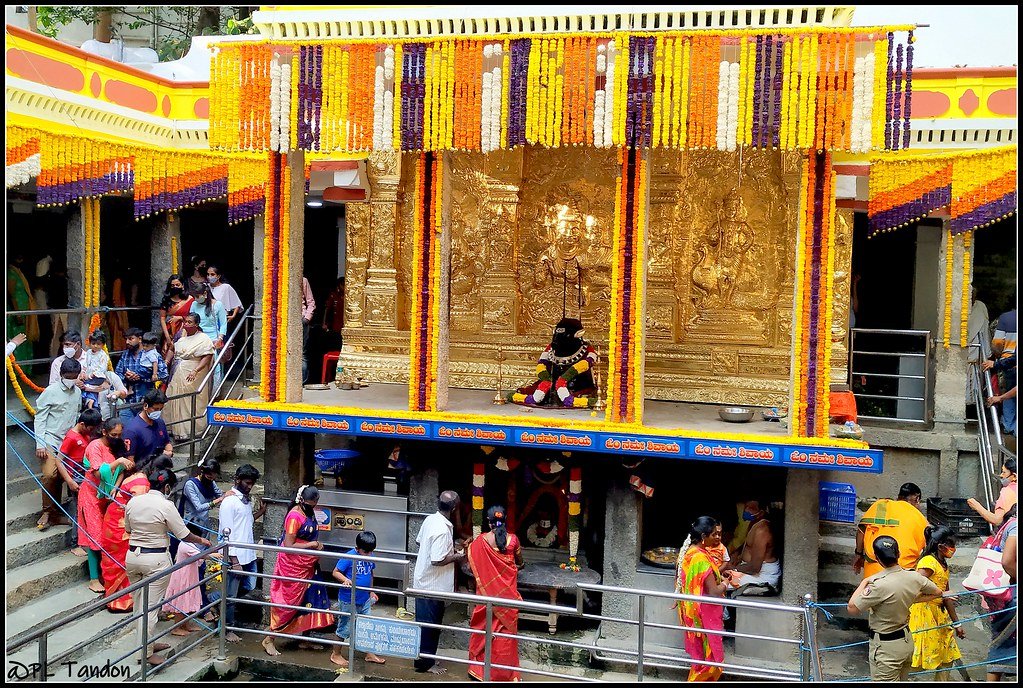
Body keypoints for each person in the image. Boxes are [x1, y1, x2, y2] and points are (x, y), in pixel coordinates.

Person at [124, 465, 211, 667]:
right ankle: (145, 654)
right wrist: (203, 540)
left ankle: (147, 644)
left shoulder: (133, 501)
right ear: (167, 487)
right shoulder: (166, 505)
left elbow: (128, 528)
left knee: (139, 605)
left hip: (133, 557)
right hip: (155, 560)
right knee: (151, 609)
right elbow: (183, 534)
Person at [848, 536, 943, 681]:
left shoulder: (878, 584)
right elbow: (937, 592)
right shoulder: (914, 577)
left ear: (877, 558)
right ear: (898, 554)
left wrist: (864, 582)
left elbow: (852, 608)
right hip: (905, 641)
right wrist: (911, 598)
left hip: (886, 647)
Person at [262, 484, 334, 656]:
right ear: (302, 501)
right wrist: (312, 544)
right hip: (293, 565)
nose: (313, 507)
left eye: (315, 504)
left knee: (310, 600)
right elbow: (289, 545)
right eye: (311, 504)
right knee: (288, 604)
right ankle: (269, 638)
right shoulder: (294, 516)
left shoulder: (308, 512)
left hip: (309, 564)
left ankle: (305, 639)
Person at [102, 449, 167, 613]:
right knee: (121, 561)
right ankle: (121, 601)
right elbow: (140, 508)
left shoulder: (135, 474)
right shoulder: (142, 483)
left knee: (114, 561)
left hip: (114, 520)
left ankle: (117, 598)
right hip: (121, 524)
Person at [467, 506, 523, 682]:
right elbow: (520, 563)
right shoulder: (513, 540)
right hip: (507, 598)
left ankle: (479, 671)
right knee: (505, 637)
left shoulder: (480, 541)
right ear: (505, 520)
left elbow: (472, 565)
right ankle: (504, 674)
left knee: (485, 631)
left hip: (486, 598)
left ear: (488, 522)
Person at [413, 490, 466, 674]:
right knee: (431, 626)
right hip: (432, 585)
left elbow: (420, 542)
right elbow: (437, 559)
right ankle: (425, 664)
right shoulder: (442, 530)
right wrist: (458, 556)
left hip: (423, 580)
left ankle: (424, 660)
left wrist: (449, 548)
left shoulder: (430, 520)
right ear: (454, 508)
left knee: (425, 625)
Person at [79, 419, 133, 593]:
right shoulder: (95, 446)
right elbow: (97, 472)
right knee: (95, 536)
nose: (116, 438)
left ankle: (107, 573)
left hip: (109, 496)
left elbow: (122, 472)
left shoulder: (118, 446)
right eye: (113, 435)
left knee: (108, 534)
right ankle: (94, 578)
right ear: (104, 432)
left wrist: (115, 489)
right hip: (91, 495)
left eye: (119, 435)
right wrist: (118, 462)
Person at [674, 516, 729, 682]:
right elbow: (713, 592)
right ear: (704, 537)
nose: (717, 538)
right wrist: (725, 583)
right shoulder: (700, 558)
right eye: (713, 534)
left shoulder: (688, 552)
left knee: (699, 658)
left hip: (692, 614)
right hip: (704, 615)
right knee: (710, 660)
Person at [33, 357, 84, 531]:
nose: (72, 379)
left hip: (68, 441)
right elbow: (40, 417)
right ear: (62, 375)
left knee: (64, 476)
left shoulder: (77, 392)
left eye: (75, 376)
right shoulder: (50, 391)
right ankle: (47, 512)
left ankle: (56, 514)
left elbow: (77, 415)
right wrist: (40, 443)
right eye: (69, 376)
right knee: (49, 474)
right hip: (50, 439)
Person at [219, 464, 267, 643]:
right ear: (237, 480)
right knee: (230, 596)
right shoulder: (229, 502)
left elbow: (245, 522)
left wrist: (261, 512)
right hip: (236, 556)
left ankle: (216, 601)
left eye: (252, 483)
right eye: (247, 482)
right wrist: (234, 560)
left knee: (249, 586)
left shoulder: (245, 500)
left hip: (249, 554)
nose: (250, 486)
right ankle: (227, 628)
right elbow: (227, 534)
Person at [909, 526, 963, 681]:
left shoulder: (943, 564)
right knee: (917, 660)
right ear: (941, 546)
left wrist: (957, 624)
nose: (954, 549)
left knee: (948, 656)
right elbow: (913, 590)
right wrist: (939, 595)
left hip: (939, 615)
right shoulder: (928, 563)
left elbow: (947, 597)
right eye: (952, 545)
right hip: (923, 616)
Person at [330, 530, 386, 668]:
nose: (368, 555)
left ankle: (369, 653)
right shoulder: (349, 556)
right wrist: (345, 580)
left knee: (367, 626)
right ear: (357, 548)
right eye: (365, 552)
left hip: (364, 599)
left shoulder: (369, 556)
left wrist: (371, 591)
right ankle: (335, 653)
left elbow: (371, 574)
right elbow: (335, 572)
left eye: (370, 552)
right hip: (349, 599)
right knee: (345, 627)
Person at [853, 483, 929, 579]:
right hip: (903, 573)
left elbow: (861, 531)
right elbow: (929, 547)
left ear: (898, 496)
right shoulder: (920, 518)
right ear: (917, 499)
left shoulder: (880, 505)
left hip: (874, 570)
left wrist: (858, 554)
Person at [162, 313, 216, 441]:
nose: (186, 324)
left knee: (190, 399)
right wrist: (165, 363)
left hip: (194, 372)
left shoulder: (203, 338)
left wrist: (196, 370)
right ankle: (174, 429)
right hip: (178, 371)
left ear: (196, 324)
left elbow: (207, 356)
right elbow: (172, 349)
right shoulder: (180, 335)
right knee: (172, 396)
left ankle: (190, 430)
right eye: (185, 321)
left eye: (189, 322)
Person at [58, 408, 103, 558]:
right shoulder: (71, 437)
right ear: (82, 424)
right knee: (79, 511)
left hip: (86, 478)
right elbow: (59, 461)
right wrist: (69, 481)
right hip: (76, 480)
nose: (92, 431)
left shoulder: (85, 434)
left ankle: (86, 539)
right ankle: (75, 543)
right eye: (91, 428)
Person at [162, 523, 221, 636]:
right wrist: (213, 555)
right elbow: (199, 556)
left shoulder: (190, 545)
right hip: (183, 577)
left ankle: (185, 624)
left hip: (190, 576)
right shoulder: (185, 545)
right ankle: (176, 627)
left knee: (188, 601)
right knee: (182, 602)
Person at [986, 503, 1017, 682]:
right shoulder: (1015, 527)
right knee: (1002, 643)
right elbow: (1007, 561)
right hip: (1011, 592)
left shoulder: (1009, 524)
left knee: (1001, 642)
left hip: (1002, 593)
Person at [721, 499, 780, 591]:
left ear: (761, 512)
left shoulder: (762, 531)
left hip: (762, 577)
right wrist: (736, 555)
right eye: (746, 507)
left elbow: (755, 567)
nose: (746, 510)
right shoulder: (754, 523)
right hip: (750, 572)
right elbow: (748, 545)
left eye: (752, 508)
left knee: (718, 583)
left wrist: (733, 568)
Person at [114, 328, 169, 422]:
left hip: (146, 401)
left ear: (139, 339)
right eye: (126, 339)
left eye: (130, 339)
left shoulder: (152, 354)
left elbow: (164, 375)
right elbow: (117, 374)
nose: (127, 342)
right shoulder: (125, 355)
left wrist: (142, 378)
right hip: (128, 401)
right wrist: (127, 377)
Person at [189, 283, 228, 391]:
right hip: (197, 337)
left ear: (205, 293)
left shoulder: (217, 305)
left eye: (198, 296)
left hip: (212, 340)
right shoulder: (194, 304)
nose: (196, 299)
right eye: (195, 296)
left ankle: (214, 392)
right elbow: (191, 320)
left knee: (213, 366)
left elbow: (223, 323)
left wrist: (220, 338)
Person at [7, 253, 39, 364]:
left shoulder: (19, 272)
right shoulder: (10, 273)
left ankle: (26, 369)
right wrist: (18, 314)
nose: (21, 260)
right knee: (18, 340)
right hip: (17, 315)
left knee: (26, 338)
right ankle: (17, 369)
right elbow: (11, 294)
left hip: (24, 312)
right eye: (18, 258)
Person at [990, 307, 1018, 436]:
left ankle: (1009, 427)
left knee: (1009, 394)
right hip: (1012, 361)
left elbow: (997, 343)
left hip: (1008, 361)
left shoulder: (1005, 317)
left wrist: (997, 359)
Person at [966, 458, 1017, 527]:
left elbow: (997, 520)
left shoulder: (1008, 492)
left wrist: (976, 506)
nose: (1001, 475)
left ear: (1014, 476)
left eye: (1004, 472)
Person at [158, 274, 194, 369]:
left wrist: (180, 318)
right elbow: (162, 318)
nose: (175, 287)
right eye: (173, 285)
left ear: (182, 285)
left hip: (186, 331)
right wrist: (167, 337)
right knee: (167, 355)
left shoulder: (190, 299)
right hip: (170, 331)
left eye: (177, 285)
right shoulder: (166, 300)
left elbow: (194, 316)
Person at [81, 330, 111, 410]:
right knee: (82, 384)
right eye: (93, 344)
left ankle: (90, 403)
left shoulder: (103, 355)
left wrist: (92, 375)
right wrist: (83, 372)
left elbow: (102, 368)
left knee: (88, 387)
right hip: (88, 376)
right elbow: (85, 364)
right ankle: (89, 402)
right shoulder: (88, 353)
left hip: (98, 377)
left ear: (102, 345)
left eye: (98, 344)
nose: (95, 346)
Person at [301, 276, 316, 384]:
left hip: (301, 319)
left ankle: (302, 382)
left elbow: (311, 302)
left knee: (302, 353)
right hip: (282, 319)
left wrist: (306, 318)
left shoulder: (303, 280)